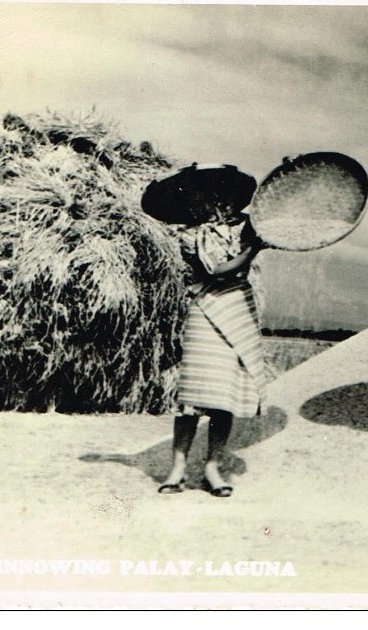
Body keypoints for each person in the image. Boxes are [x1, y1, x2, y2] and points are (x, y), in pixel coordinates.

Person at [142, 164, 270, 498]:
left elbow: (279, 222)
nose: (216, 202)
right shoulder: (189, 235)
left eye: (222, 194)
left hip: (238, 309)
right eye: (207, 196)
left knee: (222, 396)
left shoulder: (243, 226)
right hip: (206, 307)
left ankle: (212, 467)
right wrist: (254, 247)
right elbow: (219, 271)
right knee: (193, 396)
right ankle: (178, 467)